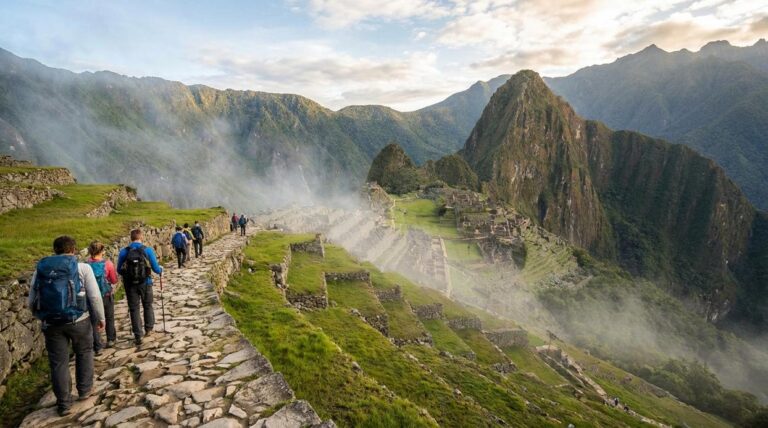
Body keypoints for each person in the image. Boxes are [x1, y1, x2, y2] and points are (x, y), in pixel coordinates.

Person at [28, 235, 105, 416]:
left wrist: (40, 316)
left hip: (51, 323)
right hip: (79, 320)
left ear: (55, 250)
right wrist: (101, 317)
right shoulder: (82, 267)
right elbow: (94, 296)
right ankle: (85, 390)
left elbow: (32, 298)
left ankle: (63, 403)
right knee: (84, 353)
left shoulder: (42, 269)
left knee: (58, 363)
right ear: (73, 250)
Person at [117, 228, 163, 346]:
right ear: (141, 237)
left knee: (134, 309)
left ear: (131, 238)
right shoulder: (147, 250)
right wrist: (160, 270)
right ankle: (148, 328)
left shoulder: (124, 252)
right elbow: (155, 268)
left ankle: (138, 335)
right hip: (145, 282)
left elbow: (119, 269)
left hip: (130, 285)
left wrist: (128, 276)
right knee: (147, 305)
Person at [86, 241, 118, 354]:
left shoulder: (86, 265)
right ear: (102, 251)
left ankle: (97, 345)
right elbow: (114, 280)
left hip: (91, 297)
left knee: (93, 321)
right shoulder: (107, 264)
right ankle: (111, 339)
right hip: (105, 295)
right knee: (109, 317)